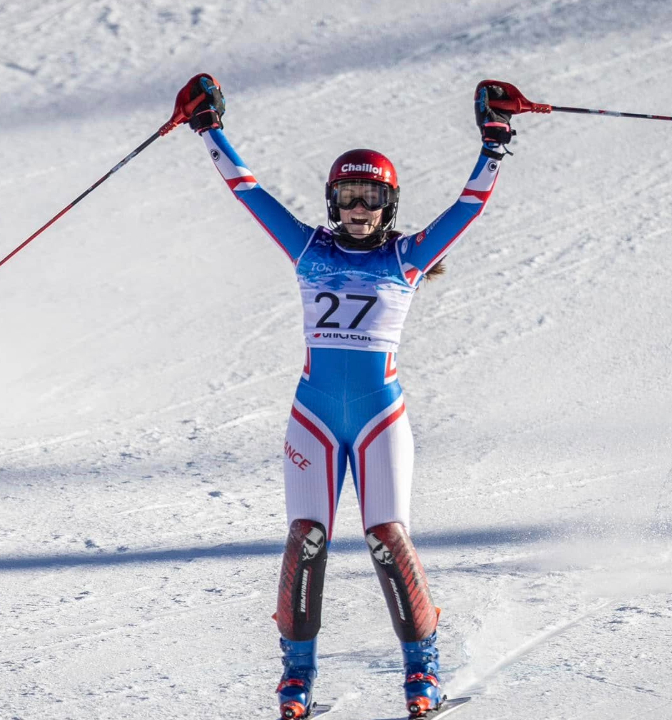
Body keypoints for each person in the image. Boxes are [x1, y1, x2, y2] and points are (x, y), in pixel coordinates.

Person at [174, 74, 515, 720]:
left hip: (381, 419)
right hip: (315, 417)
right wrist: (209, 128)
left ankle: (423, 669)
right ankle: (296, 677)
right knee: (305, 539)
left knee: (388, 537)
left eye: (371, 198)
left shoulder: (407, 258)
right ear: (333, 202)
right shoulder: (308, 248)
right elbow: (248, 190)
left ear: (389, 204)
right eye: (348, 197)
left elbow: (468, 206)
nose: (359, 209)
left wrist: (494, 144)